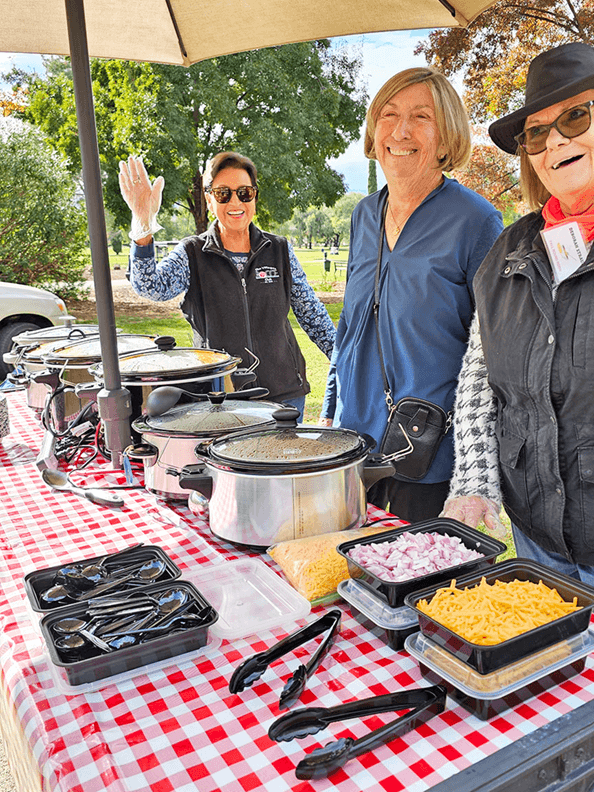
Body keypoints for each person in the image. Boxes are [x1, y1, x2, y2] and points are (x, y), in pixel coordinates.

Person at [319, 67, 503, 523]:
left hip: (429, 457)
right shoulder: (364, 216)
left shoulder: (476, 222)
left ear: (446, 140)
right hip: (352, 447)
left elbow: (495, 352)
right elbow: (352, 325)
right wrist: (328, 409)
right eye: (389, 114)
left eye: (421, 116)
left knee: (419, 586)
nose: (400, 130)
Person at [443, 42, 594, 582]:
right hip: (534, 536)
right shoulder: (507, 252)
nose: (555, 140)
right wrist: (475, 482)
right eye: (536, 131)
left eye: (576, 116)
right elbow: (481, 379)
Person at [118, 151, 336, 419]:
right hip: (221, 396)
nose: (236, 201)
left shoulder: (279, 250)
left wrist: (345, 359)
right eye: (223, 193)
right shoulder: (192, 253)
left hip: (285, 395)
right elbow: (150, 286)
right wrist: (142, 225)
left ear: (254, 198)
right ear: (209, 199)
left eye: (244, 193)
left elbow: (313, 315)